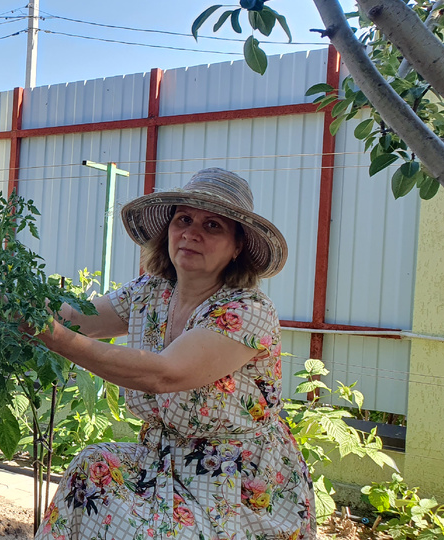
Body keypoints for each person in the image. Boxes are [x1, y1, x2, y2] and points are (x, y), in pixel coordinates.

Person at [30, 168, 314, 540]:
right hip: (162, 464)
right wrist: (19, 305)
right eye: (184, 219)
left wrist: (50, 335)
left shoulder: (248, 310)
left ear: (238, 246)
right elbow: (79, 319)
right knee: (93, 466)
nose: (192, 233)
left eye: (213, 225)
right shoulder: (152, 291)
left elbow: (164, 374)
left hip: (235, 486)